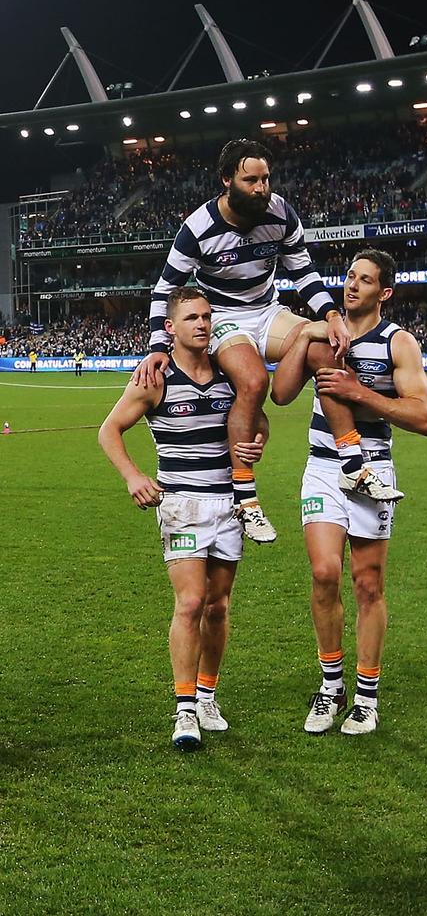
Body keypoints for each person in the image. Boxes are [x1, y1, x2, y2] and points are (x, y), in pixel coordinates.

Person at [133, 139, 400, 543]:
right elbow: (164, 288)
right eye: (251, 179)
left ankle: (352, 465)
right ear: (227, 181)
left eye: (266, 179)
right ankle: (246, 497)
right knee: (254, 381)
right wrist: (157, 346)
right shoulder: (197, 228)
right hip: (223, 316)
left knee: (325, 350)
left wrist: (330, 316)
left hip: (267, 310)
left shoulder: (281, 213)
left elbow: (304, 274)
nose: (262, 188)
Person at [271, 249, 427, 736]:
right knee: (325, 573)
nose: (352, 285)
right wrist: (303, 334)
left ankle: (366, 698)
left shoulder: (397, 343)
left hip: (374, 469)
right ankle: (331, 685)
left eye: (365, 280)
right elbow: (281, 394)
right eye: (349, 276)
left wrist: (359, 392)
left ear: (384, 292)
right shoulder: (324, 331)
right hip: (324, 467)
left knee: (367, 586)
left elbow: (425, 418)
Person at [99, 288, 267, 751]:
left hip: (229, 503)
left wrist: (257, 442)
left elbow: (259, 419)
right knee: (191, 602)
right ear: (170, 327)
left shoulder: (229, 374)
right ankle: (185, 708)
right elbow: (109, 430)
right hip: (182, 504)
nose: (202, 323)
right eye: (191, 317)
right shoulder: (155, 377)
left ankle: (208, 695)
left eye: (207, 316)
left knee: (218, 606)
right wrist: (133, 476)